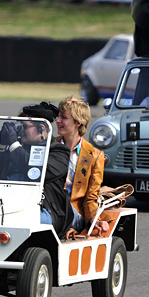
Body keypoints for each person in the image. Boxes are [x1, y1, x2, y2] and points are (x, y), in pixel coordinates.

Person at [0, 103, 73, 236]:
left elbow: (36, 171)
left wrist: (14, 145)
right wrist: (3, 145)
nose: (20, 131)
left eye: (25, 127)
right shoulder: (16, 149)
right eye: (19, 127)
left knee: (15, 219)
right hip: (9, 205)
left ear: (41, 127)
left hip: (45, 209)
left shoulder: (58, 152)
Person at [55, 95, 107, 235]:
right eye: (58, 116)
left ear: (78, 122)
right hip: (50, 206)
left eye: (63, 117)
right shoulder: (49, 146)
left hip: (73, 213)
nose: (57, 120)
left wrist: (93, 220)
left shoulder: (95, 156)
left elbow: (91, 198)